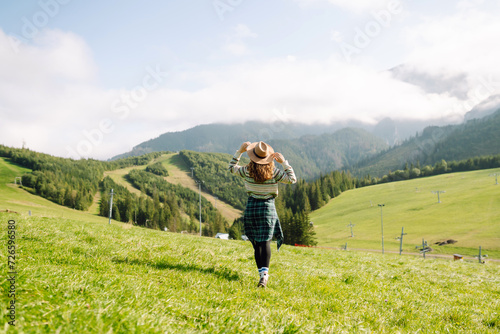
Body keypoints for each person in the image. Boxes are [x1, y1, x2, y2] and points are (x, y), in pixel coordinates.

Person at [228, 141, 297, 287]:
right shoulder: (274, 173)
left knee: (257, 243)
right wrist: (284, 162)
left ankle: (261, 273)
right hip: (268, 209)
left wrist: (239, 152)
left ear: (253, 157)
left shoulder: (247, 171)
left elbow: (231, 168)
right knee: (265, 241)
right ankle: (264, 276)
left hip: (252, 207)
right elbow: (292, 179)